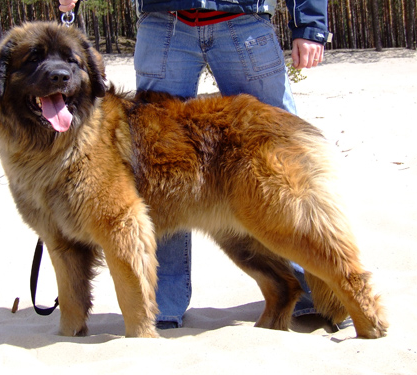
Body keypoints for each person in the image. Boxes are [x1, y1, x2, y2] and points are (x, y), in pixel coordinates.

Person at [59, 0, 332, 329]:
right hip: (165, 23)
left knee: (281, 161)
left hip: (244, 20)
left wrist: (311, 25)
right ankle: (162, 305)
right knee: (158, 168)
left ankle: (317, 293)